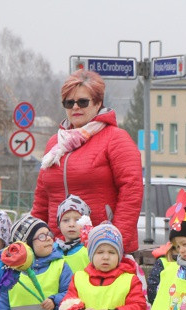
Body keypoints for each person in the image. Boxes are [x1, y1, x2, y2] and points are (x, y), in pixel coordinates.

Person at [33, 69, 142, 254]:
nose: (75, 107)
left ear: (98, 103)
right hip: (57, 249)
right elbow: (42, 198)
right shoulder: (55, 144)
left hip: (100, 249)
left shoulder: (116, 138)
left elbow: (132, 191)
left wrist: (114, 242)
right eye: (69, 103)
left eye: (83, 102)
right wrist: (34, 236)